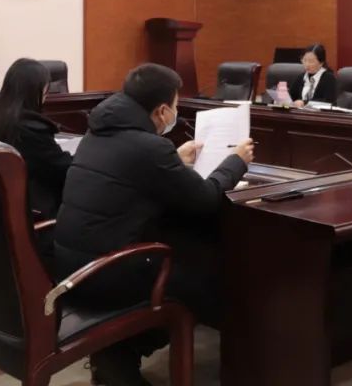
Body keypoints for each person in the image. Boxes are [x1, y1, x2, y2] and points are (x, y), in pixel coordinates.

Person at [53, 63, 254, 386]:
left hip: (68, 267)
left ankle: (117, 354)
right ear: (162, 111)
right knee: (206, 282)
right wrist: (236, 162)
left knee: (185, 253)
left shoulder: (98, 131)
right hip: (107, 274)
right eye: (175, 105)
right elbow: (205, 199)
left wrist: (173, 159)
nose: (175, 112)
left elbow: (135, 171)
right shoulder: (150, 148)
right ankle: (124, 353)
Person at [0, 58, 69, 220]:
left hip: (0, 212)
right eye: (45, 90)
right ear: (35, 91)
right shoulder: (30, 129)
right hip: (36, 215)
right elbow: (62, 169)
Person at [289, 43, 337, 107]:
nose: (307, 64)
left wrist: (304, 102)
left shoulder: (329, 79)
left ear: (321, 63)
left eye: (311, 61)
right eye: (304, 60)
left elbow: (328, 101)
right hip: (300, 113)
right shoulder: (301, 77)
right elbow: (290, 97)